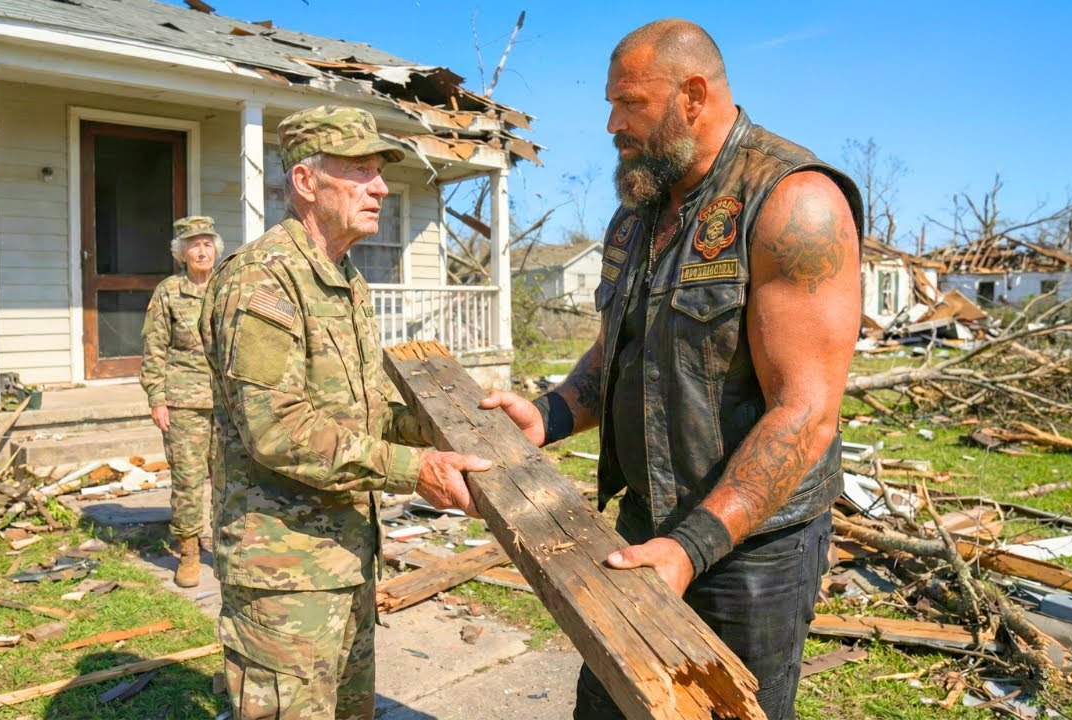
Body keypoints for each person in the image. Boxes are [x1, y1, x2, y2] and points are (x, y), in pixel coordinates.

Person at [482, 19, 863, 720]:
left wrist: (691, 550)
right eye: (610, 103)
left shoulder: (792, 202)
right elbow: (623, 352)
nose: (610, 124)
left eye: (629, 103)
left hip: (751, 551)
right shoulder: (637, 215)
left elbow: (806, 413)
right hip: (643, 524)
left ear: (692, 96)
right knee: (611, 707)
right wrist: (550, 412)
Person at [199, 105, 489, 720]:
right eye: (359, 171)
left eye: (378, 172)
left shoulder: (343, 277)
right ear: (307, 182)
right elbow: (277, 430)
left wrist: (456, 423)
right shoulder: (263, 281)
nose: (381, 186)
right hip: (283, 571)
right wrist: (417, 470)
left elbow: (362, 411)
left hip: (345, 556)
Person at [139, 215, 223, 588]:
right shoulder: (169, 292)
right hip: (184, 401)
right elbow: (154, 348)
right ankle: (189, 551)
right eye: (194, 244)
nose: (202, 250)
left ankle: (224, 548)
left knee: (229, 479)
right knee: (188, 480)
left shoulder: (229, 286)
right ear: (181, 253)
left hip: (229, 402)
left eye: (207, 243)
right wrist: (157, 398)